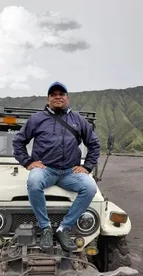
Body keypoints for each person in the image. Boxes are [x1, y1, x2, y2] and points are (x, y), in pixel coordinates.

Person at [12, 82, 100, 252]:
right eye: (53, 94)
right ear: (48, 99)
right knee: (34, 182)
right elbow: (18, 141)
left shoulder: (78, 120)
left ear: (67, 98)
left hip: (70, 171)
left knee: (90, 187)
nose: (57, 97)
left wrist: (87, 167)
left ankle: (63, 228)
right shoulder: (37, 119)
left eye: (61, 94)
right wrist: (28, 162)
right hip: (46, 170)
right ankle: (46, 228)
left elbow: (94, 144)